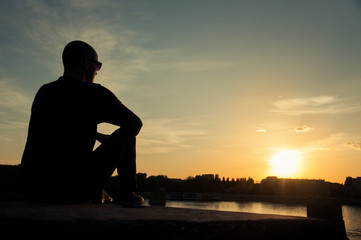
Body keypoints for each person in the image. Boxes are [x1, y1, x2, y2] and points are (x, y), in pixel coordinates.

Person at [21, 40, 143, 206]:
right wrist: (114, 141)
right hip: (73, 187)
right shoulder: (94, 94)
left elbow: (60, 128)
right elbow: (135, 123)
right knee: (128, 136)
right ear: (86, 63)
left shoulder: (45, 92)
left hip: (35, 187)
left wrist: (96, 134)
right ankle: (128, 194)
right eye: (97, 66)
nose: (97, 72)